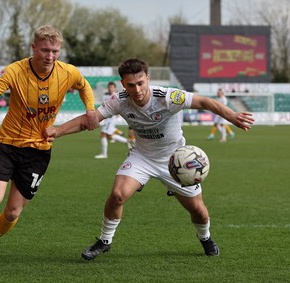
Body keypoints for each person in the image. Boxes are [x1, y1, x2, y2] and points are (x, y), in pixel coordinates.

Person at [43, 58, 254, 260]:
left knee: (198, 210)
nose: (137, 90)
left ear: (148, 79)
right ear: (123, 84)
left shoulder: (168, 97)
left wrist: (232, 116)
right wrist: (57, 131)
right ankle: (105, 241)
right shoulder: (120, 101)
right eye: (131, 85)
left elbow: (205, 102)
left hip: (175, 162)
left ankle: (205, 238)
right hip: (142, 157)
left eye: (141, 83)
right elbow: (89, 120)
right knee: (117, 195)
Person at [0, 25, 99, 265]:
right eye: (45, 50)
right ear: (33, 47)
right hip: (8, 145)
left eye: (55, 51)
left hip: (39, 152)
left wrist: (90, 110)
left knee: (13, 212)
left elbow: (84, 86)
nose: (50, 56)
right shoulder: (14, 71)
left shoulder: (68, 72)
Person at [95, 81, 129, 159]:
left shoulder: (117, 95)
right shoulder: (105, 96)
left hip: (112, 118)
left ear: (115, 88)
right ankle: (126, 141)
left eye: (112, 87)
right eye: (109, 87)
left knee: (103, 134)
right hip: (107, 117)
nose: (110, 89)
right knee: (110, 136)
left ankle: (104, 154)